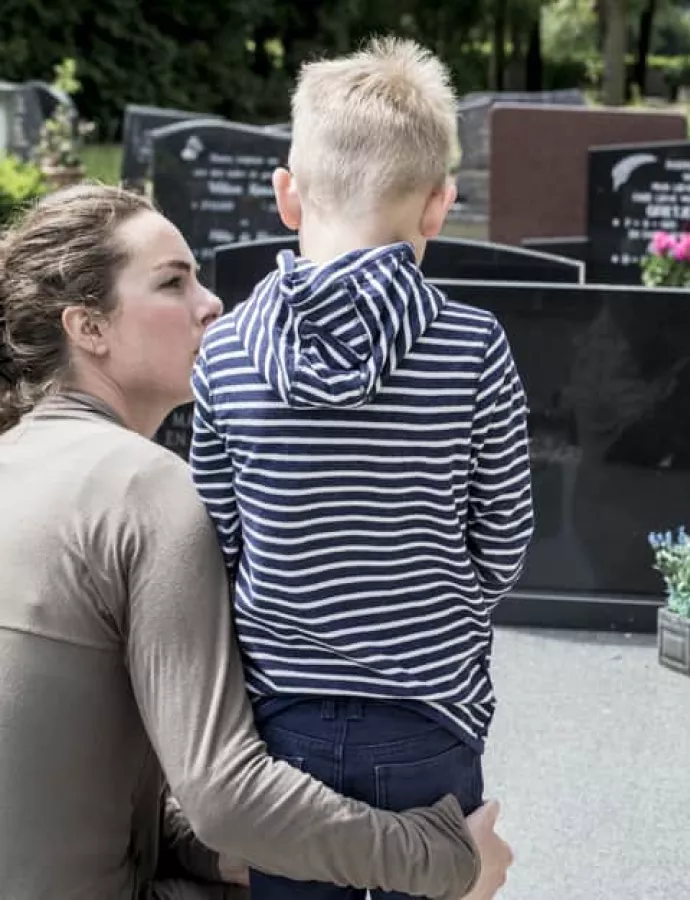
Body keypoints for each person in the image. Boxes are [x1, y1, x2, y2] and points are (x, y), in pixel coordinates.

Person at [0, 182, 513, 900]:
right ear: (89, 327)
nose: (211, 304)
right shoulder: (147, 488)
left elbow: (69, 785)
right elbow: (228, 799)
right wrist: (449, 861)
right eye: (174, 283)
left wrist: (211, 856)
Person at [187, 38, 535, 899]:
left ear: (287, 195)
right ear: (438, 206)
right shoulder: (472, 347)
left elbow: (215, 542)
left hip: (280, 730)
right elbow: (503, 542)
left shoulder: (225, 351)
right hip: (430, 717)